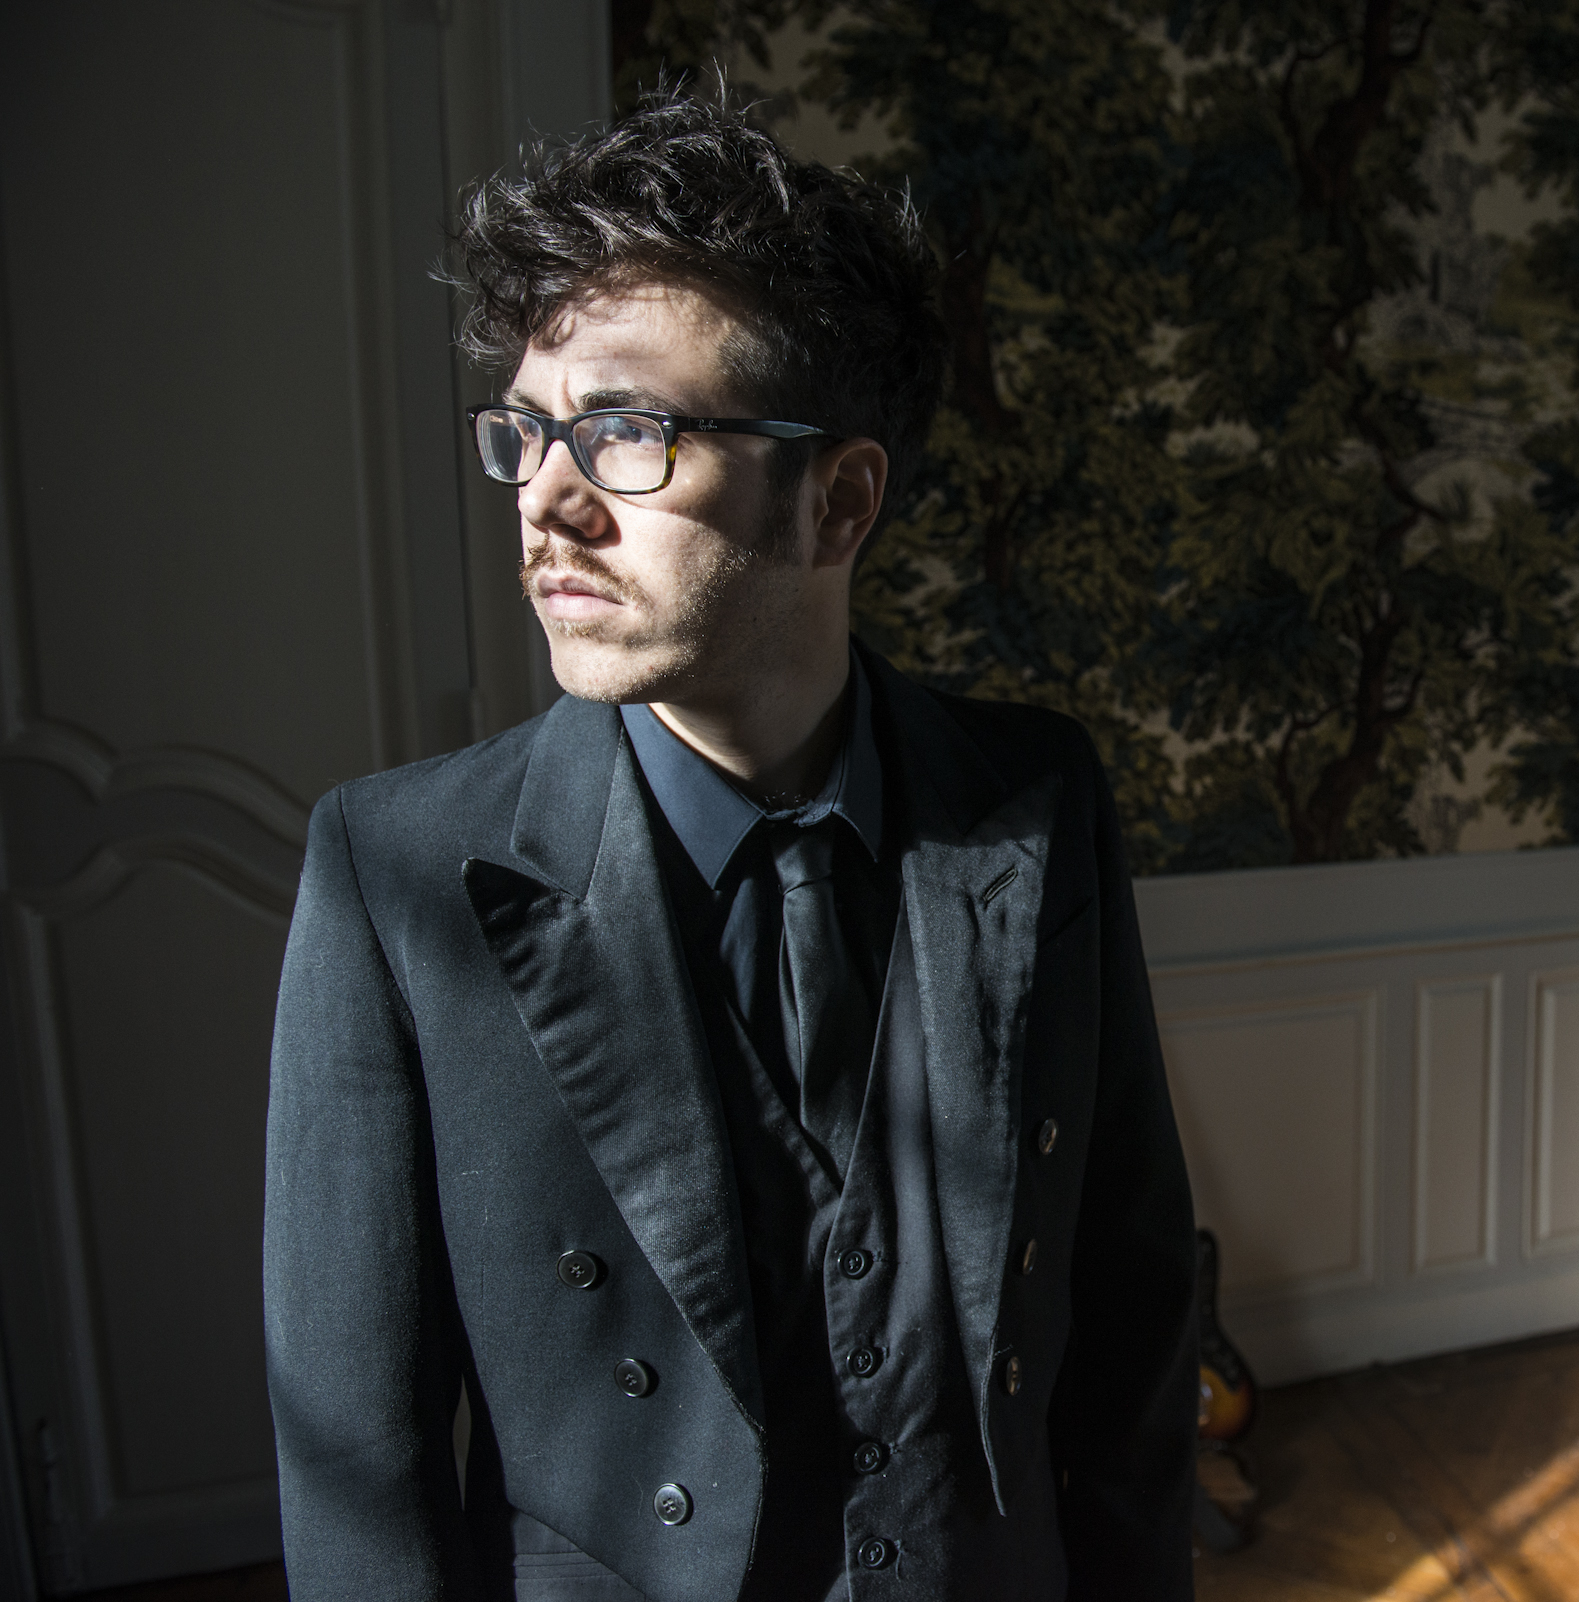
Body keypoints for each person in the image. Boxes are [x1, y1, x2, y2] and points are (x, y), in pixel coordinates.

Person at [262, 88, 1197, 1602]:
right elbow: (359, 1461)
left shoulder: (1039, 791)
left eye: (625, 434)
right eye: (528, 432)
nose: (547, 502)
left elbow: (1131, 1296)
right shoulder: (394, 871)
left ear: (839, 501)